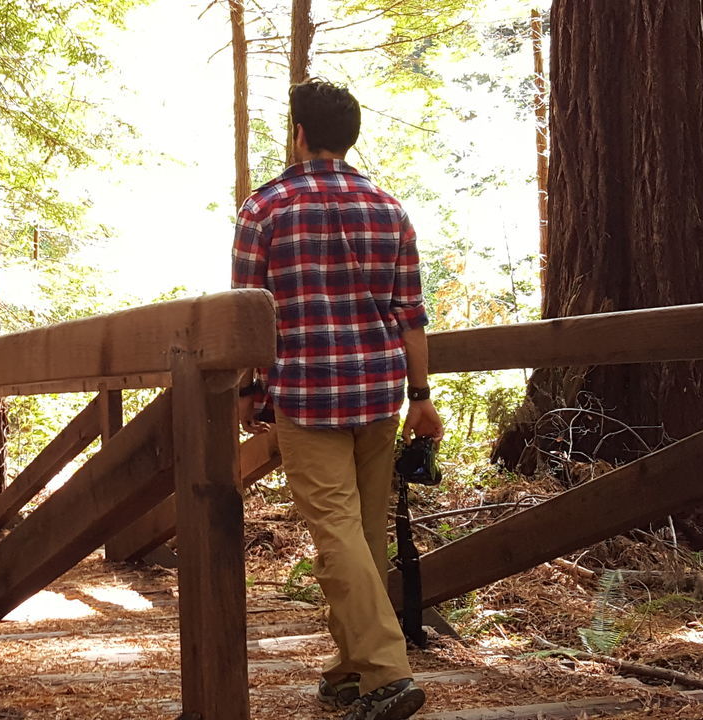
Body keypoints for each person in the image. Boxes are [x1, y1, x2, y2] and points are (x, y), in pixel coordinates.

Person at [232, 79, 443, 720]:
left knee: (337, 534)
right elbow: (412, 316)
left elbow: (248, 318)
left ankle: (384, 674)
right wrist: (422, 397)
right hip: (379, 394)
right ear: (349, 136)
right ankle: (351, 668)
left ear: (297, 131)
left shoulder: (264, 209)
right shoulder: (388, 208)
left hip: (307, 395)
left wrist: (247, 389)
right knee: (361, 534)